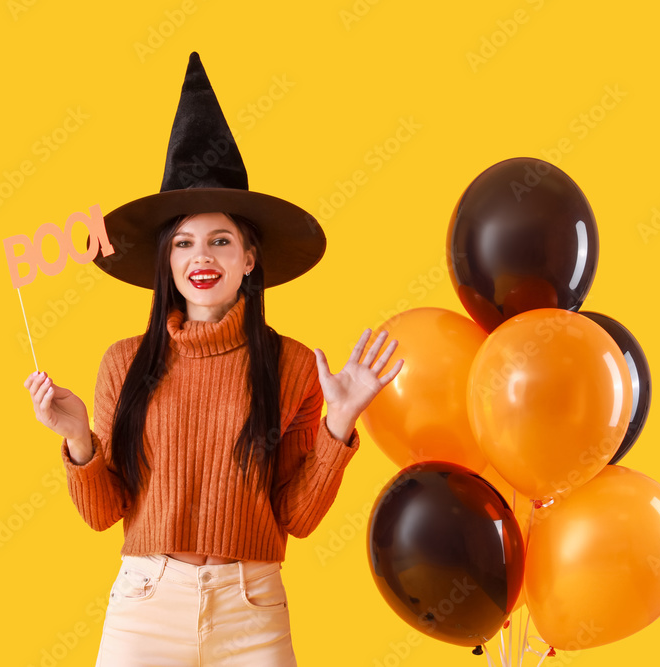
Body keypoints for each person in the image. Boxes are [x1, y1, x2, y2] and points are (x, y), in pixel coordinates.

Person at [23, 52, 403, 666]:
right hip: (145, 604)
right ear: (168, 263)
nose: (202, 257)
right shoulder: (124, 363)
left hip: (251, 609)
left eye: (220, 240)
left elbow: (296, 518)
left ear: (249, 259)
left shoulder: (296, 365)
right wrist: (77, 440)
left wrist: (341, 421)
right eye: (184, 243)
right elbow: (103, 514)